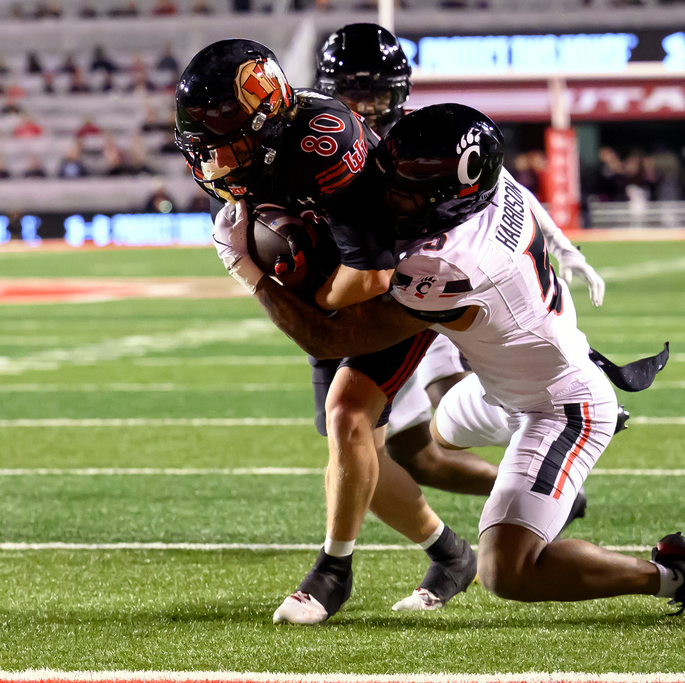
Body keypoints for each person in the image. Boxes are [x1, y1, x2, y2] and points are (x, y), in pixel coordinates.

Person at [215, 103, 685, 616]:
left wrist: (251, 269)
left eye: (402, 193)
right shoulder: (488, 186)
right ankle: (551, 419)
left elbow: (331, 337)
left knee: (507, 572)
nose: (386, 196)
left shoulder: (450, 263)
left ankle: (671, 574)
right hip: (503, 380)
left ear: (445, 202)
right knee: (440, 434)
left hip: (560, 407)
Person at [175, 39, 477, 625]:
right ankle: (450, 553)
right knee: (352, 444)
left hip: (405, 276)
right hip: (336, 272)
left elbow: (371, 276)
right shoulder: (266, 146)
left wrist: (269, 281)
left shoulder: (324, 145)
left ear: (261, 119)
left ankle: (332, 573)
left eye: (225, 143)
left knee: (348, 419)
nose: (213, 162)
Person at [314, 24, 605, 515]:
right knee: (412, 452)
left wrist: (562, 243)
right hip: (380, 287)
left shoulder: (421, 135)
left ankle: (553, 424)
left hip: (436, 279)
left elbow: (502, 184)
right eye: (349, 93)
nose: (363, 108)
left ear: (400, 92)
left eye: (377, 93)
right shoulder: (321, 141)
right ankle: (486, 526)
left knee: (448, 400)